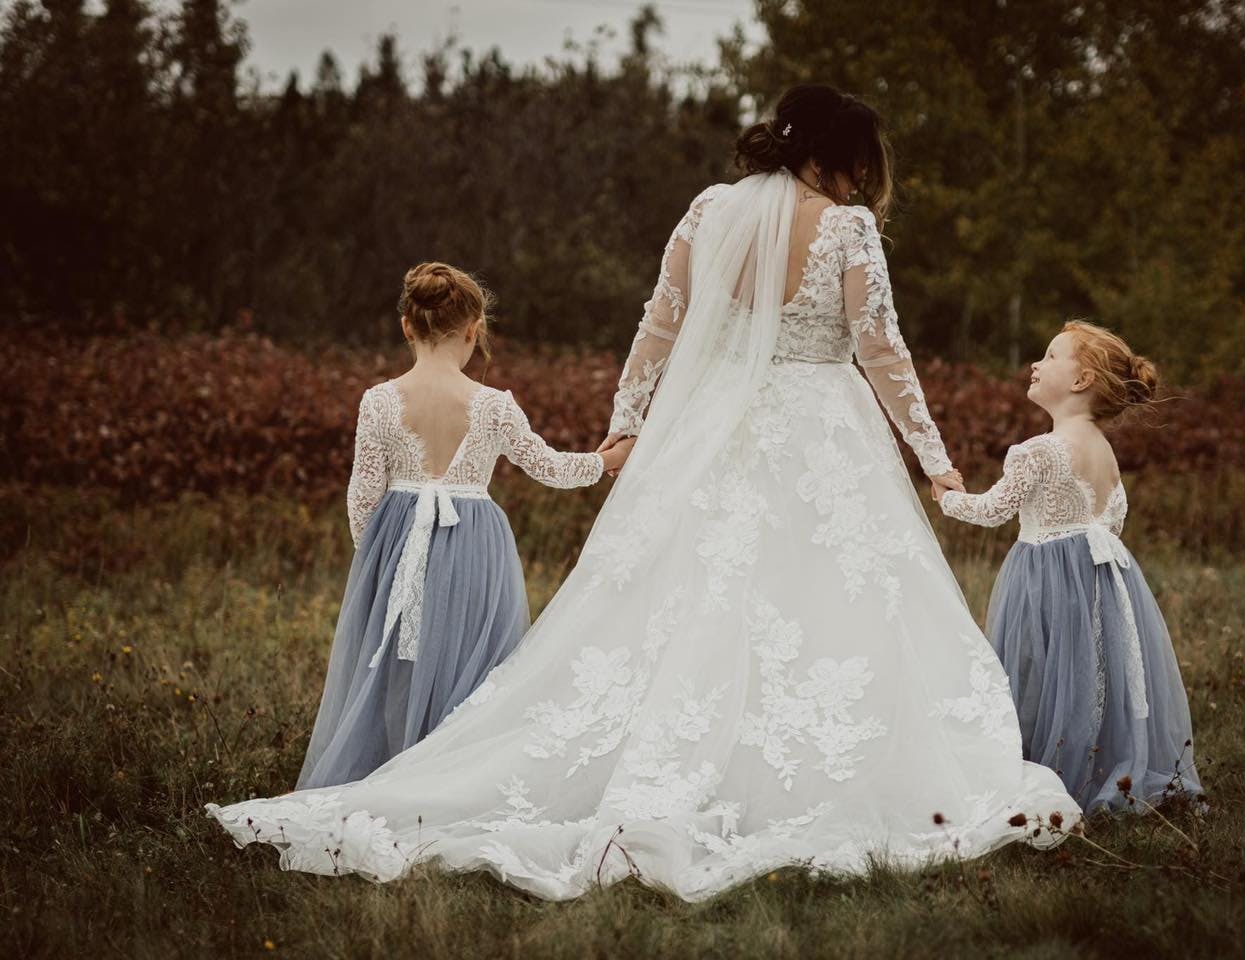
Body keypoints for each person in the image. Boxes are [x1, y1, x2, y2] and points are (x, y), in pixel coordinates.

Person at [207, 85, 1080, 901]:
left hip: (706, 425)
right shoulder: (847, 231)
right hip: (826, 427)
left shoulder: (709, 212)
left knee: (687, 592)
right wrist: (931, 457)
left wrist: (629, 422)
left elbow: (657, 326)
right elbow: (882, 353)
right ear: (840, 157)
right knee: (832, 594)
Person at [296, 262, 633, 789]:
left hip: (397, 546)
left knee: (398, 669)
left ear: (408, 326)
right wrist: (606, 460)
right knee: (471, 667)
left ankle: (394, 765)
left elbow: (362, 495)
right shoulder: (494, 406)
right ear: (475, 331)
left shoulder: (379, 401)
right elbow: (548, 467)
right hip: (474, 548)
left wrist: (378, 565)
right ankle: (451, 776)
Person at [936, 320, 1204, 814]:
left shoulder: (1040, 450)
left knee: (1043, 673)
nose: (1036, 364)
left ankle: (1048, 770)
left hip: (1045, 579)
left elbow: (993, 510)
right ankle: (1098, 766)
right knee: (1092, 673)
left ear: (1081, 382)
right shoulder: (1105, 453)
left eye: (1052, 356)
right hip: (1101, 581)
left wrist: (947, 497)